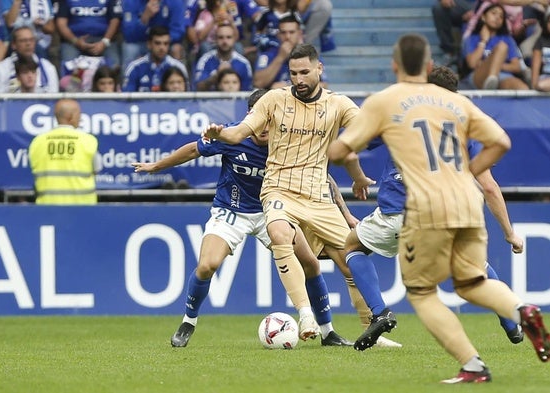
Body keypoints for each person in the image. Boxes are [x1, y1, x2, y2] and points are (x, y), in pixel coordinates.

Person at [328, 33, 550, 383]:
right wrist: (468, 180)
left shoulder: (388, 102)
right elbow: (500, 145)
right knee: (473, 278)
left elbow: (340, 151)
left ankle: (395, 322)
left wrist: (356, 172)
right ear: (429, 65)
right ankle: (520, 312)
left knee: (405, 281)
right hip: (464, 206)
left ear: (395, 65)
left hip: (417, 208)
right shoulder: (461, 108)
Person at [132, 89, 352, 348]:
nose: (263, 127)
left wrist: (346, 214)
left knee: (311, 264)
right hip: (231, 211)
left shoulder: (288, 141)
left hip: (273, 210)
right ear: (251, 115)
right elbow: (193, 149)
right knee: (206, 265)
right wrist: (156, 166)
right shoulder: (232, 135)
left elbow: (322, 177)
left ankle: (328, 332)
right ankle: (188, 322)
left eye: (269, 119)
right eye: (258, 118)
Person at [342, 65, 525, 352]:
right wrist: (509, 233)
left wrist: (357, 176)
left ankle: (379, 313)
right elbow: (489, 186)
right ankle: (510, 321)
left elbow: (353, 143)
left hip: (399, 211)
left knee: (352, 248)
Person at [202, 43, 376, 341]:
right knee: (280, 234)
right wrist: (220, 133)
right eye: (293, 73)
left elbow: (366, 134)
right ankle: (306, 315)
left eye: (305, 72)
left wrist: (358, 177)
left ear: (319, 68)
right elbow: (238, 133)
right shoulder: (273, 100)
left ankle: (372, 328)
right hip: (279, 189)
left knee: (353, 256)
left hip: (318, 194)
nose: (298, 79)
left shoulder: (339, 105)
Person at [28, 99, 101, 205]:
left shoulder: (38, 141)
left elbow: (34, 168)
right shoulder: (88, 141)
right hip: (83, 207)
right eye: (79, 115)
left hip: (47, 207)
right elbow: (97, 169)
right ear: (71, 117)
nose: (80, 119)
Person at [461, 3, 529, 89]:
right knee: (502, 47)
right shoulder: (471, 38)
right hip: (478, 75)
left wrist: (495, 64)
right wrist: (483, 41)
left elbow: (516, 67)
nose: (497, 18)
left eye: (501, 16)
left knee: (522, 88)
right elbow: (472, 64)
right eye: (493, 13)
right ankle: (491, 80)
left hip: (502, 75)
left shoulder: (507, 39)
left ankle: (492, 81)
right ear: (483, 17)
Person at [253, 14, 327, 89]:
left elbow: (323, 85)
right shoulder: (267, 54)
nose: (287, 37)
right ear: (278, 35)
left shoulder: (311, 55)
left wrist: (289, 86)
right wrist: (280, 57)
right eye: (283, 32)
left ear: (300, 34)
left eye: (292, 32)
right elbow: (258, 83)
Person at [0, 25, 58, 93]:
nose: (28, 44)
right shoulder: (1, 69)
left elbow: (54, 97)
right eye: (23, 41)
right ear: (13, 45)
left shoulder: (48, 67)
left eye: (31, 40)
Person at [121, 0, 187, 69]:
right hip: (142, 42)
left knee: (176, 48)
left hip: (165, 42)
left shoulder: (175, 2)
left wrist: (160, 41)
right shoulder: (130, 2)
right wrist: (145, 18)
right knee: (130, 48)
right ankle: (129, 77)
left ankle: (177, 76)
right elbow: (129, 35)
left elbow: (178, 31)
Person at [122, 25, 189, 92]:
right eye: (157, 43)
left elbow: (188, 98)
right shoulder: (135, 67)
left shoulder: (179, 67)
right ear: (149, 44)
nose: (162, 48)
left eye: (166, 44)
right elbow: (126, 98)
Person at [55, 0, 122, 67]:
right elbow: (61, 23)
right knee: (68, 67)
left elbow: (115, 20)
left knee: (114, 67)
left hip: (104, 39)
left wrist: (104, 42)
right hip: (73, 40)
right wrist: (76, 42)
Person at [193, 23, 252, 91]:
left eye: (228, 37)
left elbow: (247, 92)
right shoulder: (205, 60)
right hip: (210, 101)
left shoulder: (244, 63)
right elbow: (198, 88)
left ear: (234, 39)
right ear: (215, 39)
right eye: (221, 37)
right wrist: (217, 75)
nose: (225, 41)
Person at [431, 0, 475, 66]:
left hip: (481, 5)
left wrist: (477, 10)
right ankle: (449, 52)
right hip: (459, 3)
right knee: (438, 8)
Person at [530, 10, 550, 91]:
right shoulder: (540, 41)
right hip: (545, 79)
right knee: (541, 85)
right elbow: (535, 68)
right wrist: (535, 85)